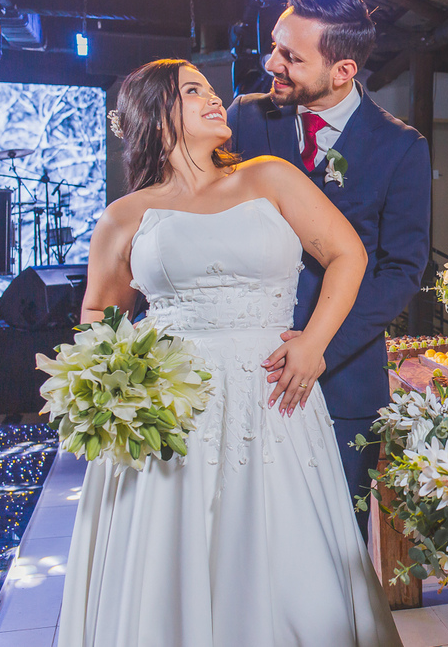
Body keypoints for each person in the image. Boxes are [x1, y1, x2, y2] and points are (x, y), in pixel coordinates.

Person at [58, 60, 403, 647]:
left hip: (271, 398)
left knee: (285, 555)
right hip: (170, 409)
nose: (216, 99)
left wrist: (313, 343)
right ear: (156, 116)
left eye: (212, 90)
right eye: (194, 91)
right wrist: (114, 388)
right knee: (174, 554)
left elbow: (348, 255)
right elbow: (101, 313)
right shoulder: (126, 215)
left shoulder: (269, 177)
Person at [226, 0, 431, 541]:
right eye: (275, 47)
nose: (273, 64)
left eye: (291, 57)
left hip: (344, 381)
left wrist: (318, 347)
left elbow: (401, 270)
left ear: (343, 70)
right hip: (247, 368)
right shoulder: (246, 118)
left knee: (331, 543)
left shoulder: (400, 147)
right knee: (244, 539)